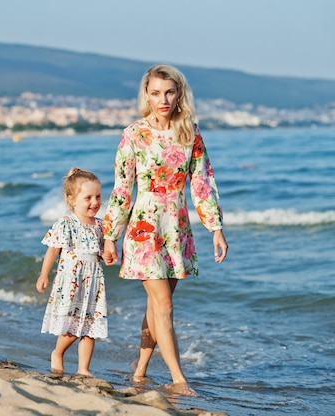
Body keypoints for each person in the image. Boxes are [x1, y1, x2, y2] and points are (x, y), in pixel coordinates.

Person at [102, 64, 228, 394]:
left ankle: (140, 370)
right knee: (165, 306)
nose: (163, 99)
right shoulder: (134, 134)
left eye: (169, 92)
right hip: (144, 229)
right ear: (146, 94)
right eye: (156, 92)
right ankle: (179, 379)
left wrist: (215, 228)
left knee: (157, 306)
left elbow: (202, 183)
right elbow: (121, 188)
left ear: (179, 94)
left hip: (177, 230)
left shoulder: (191, 133)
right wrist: (110, 236)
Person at [36, 168, 108, 377]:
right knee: (73, 326)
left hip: (93, 284)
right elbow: (53, 249)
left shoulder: (100, 226)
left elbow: (101, 253)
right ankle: (57, 353)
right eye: (88, 197)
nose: (94, 202)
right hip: (72, 282)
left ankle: (83, 369)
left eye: (98, 196)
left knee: (90, 328)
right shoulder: (66, 223)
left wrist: (109, 257)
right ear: (72, 199)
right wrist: (44, 274)